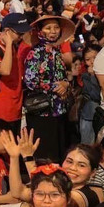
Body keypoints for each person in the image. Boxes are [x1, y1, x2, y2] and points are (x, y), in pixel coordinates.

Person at [22, 15, 75, 162]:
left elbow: (62, 76)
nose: (53, 31)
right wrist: (55, 87)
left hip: (59, 110)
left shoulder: (57, 51)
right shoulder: (35, 53)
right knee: (45, 154)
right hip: (42, 111)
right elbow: (30, 80)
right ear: (40, 31)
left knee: (59, 151)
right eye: (48, 28)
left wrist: (65, 84)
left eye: (56, 27)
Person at [0, 13, 30, 132]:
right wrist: (9, 43)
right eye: (19, 33)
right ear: (8, 31)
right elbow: (5, 70)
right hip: (0, 111)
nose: (21, 36)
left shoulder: (14, 46)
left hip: (15, 108)